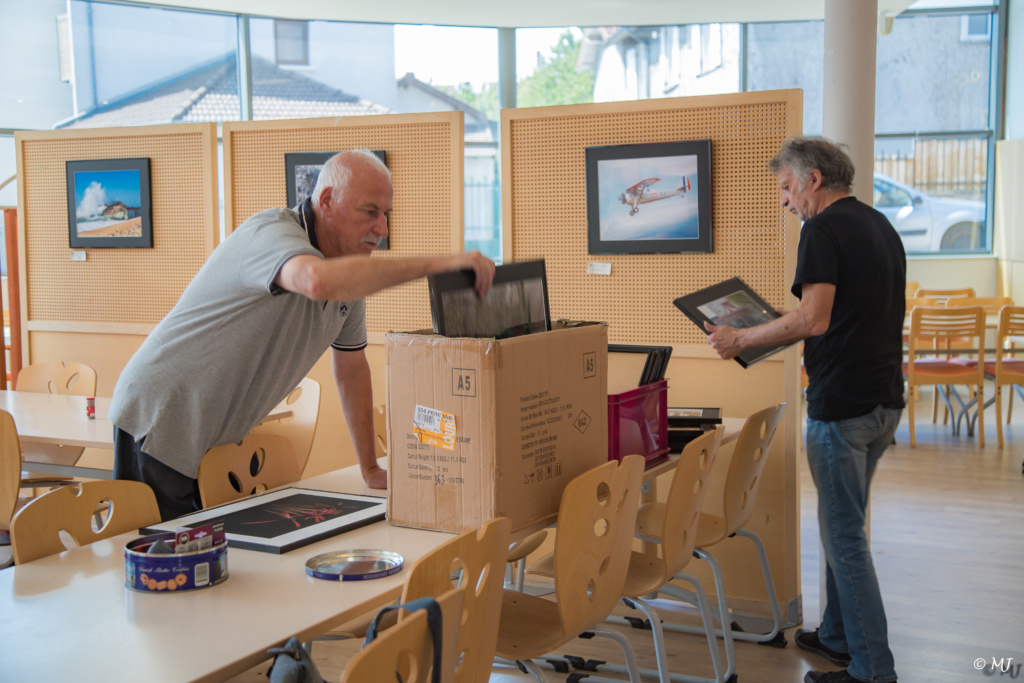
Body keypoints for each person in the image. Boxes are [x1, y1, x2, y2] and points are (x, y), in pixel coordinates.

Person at [109, 150, 495, 521]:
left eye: (386, 214)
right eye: (370, 212)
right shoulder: (271, 233)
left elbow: (351, 368)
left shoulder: (349, 274)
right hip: (163, 414)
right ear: (326, 200)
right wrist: (440, 264)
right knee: (168, 568)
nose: (383, 228)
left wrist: (369, 467)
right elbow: (313, 280)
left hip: (218, 434)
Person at [705, 136, 904, 683]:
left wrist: (742, 339)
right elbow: (839, 315)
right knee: (842, 525)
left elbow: (812, 319)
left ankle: (871, 669)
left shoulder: (822, 228)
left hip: (843, 406)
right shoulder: (878, 224)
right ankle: (838, 636)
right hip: (884, 402)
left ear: (814, 180)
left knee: (843, 537)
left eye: (788, 188)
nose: (786, 202)